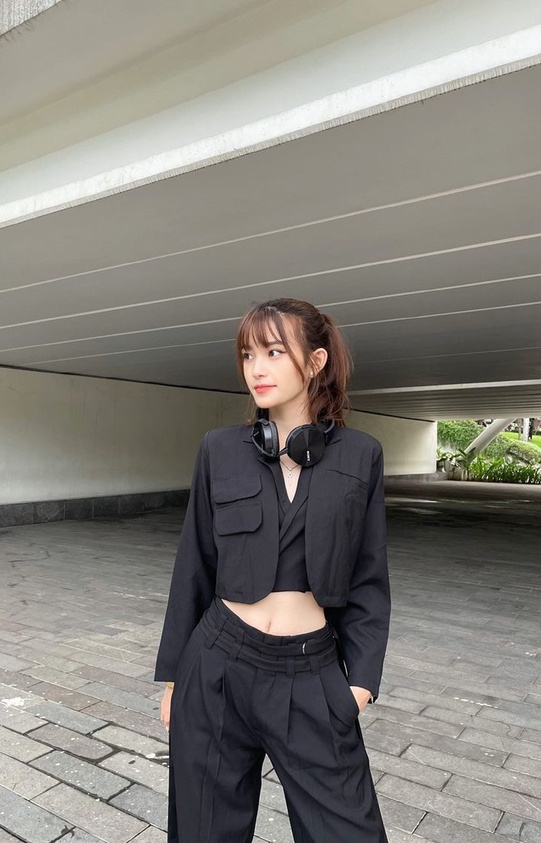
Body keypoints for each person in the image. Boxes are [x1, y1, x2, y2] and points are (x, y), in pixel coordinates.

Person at [154, 297, 391, 842]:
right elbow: (194, 564)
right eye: (247, 355)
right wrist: (174, 678)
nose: (256, 369)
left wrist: (358, 685)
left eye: (274, 352)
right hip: (217, 666)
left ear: (315, 361)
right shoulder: (219, 450)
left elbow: (368, 578)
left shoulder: (361, 456)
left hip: (310, 673)